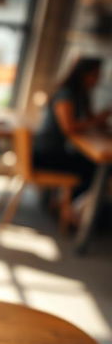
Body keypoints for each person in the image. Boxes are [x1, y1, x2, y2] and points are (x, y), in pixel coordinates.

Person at [33, 57, 110, 225]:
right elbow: (69, 128)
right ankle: (72, 212)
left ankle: (67, 206)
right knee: (93, 170)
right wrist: (97, 121)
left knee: (90, 165)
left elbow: (89, 120)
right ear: (84, 75)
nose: (98, 80)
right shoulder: (66, 94)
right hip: (45, 155)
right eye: (95, 75)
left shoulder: (81, 94)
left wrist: (99, 119)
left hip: (54, 152)